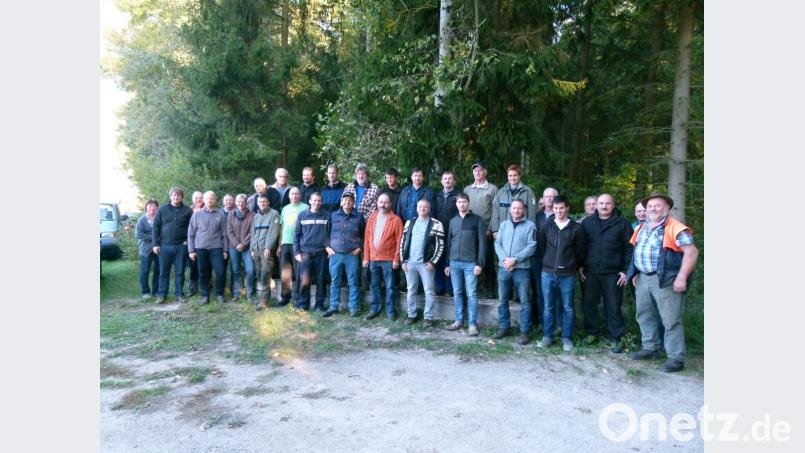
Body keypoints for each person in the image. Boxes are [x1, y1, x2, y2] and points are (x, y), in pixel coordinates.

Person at [626, 193, 699, 373]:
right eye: (650, 206)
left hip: (665, 279)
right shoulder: (642, 227)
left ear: (666, 208)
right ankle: (651, 348)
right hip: (643, 278)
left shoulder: (676, 227)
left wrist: (681, 277)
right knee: (644, 315)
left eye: (657, 206)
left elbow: (691, 253)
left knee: (671, 320)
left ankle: (676, 358)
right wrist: (634, 273)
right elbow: (637, 251)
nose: (653, 209)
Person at [579, 194, 634, 353]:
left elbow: (629, 250)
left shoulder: (623, 224)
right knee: (589, 305)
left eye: (607, 203)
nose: (604, 206)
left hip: (613, 273)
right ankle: (592, 334)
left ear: (613, 205)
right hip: (590, 272)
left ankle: (616, 338)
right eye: (601, 203)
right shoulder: (587, 224)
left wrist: (625, 271)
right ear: (596, 205)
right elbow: (581, 247)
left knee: (613, 306)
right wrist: (580, 266)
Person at [537, 195, 587, 351]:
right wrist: (548, 262)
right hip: (547, 273)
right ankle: (548, 336)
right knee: (548, 307)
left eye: (561, 208)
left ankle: (567, 338)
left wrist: (573, 265)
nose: (558, 211)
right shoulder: (547, 226)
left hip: (568, 275)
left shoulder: (576, 228)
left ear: (567, 208)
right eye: (556, 208)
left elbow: (580, 252)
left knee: (568, 307)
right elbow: (542, 246)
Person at [493, 199, 537, 345]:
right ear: (510, 210)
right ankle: (504, 327)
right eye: (514, 208)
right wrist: (506, 260)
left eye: (519, 208)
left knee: (525, 301)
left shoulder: (530, 226)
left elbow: (532, 246)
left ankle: (524, 331)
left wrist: (515, 260)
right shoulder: (504, 225)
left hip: (522, 269)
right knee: (502, 300)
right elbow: (497, 243)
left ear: (523, 210)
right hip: (504, 267)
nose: (516, 211)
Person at [444, 193, 487, 336]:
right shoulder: (453, 221)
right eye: (459, 202)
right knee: (457, 293)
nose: (462, 204)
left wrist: (480, 263)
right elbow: (449, 243)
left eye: (464, 202)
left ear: (468, 203)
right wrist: (447, 264)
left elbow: (482, 243)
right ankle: (458, 321)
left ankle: (472, 324)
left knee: (471, 294)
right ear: (456, 204)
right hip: (454, 263)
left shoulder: (477, 220)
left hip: (471, 264)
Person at [399, 199, 445, 327]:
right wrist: (403, 260)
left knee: (429, 290)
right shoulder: (410, 222)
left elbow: (440, 245)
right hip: (410, 263)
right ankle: (411, 315)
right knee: (411, 289)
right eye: (420, 206)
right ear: (416, 208)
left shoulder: (436, 224)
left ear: (429, 209)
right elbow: (403, 242)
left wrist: (433, 262)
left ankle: (428, 317)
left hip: (426, 264)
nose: (422, 208)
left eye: (425, 207)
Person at [362, 193, 403, 321]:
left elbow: (399, 241)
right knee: (374, 285)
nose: (382, 205)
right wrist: (366, 257)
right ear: (377, 203)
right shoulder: (372, 218)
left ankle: (390, 310)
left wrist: (396, 259)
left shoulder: (396, 220)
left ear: (390, 204)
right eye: (380, 202)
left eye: (385, 202)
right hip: (373, 259)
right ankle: (375, 309)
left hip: (389, 260)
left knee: (390, 286)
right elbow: (367, 239)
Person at [324, 192, 366, 317]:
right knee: (335, 280)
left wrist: (360, 248)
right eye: (345, 200)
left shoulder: (359, 217)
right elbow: (326, 233)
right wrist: (327, 248)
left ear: (353, 203)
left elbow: (364, 235)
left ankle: (353, 307)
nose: (347, 202)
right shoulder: (333, 215)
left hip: (352, 255)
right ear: (342, 202)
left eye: (350, 200)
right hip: (335, 254)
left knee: (353, 281)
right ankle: (333, 306)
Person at [152, 187, 193, 304]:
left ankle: (179, 294)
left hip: (181, 246)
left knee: (180, 271)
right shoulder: (162, 209)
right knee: (164, 271)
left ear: (182, 197)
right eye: (174, 195)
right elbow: (156, 227)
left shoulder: (187, 211)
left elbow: (192, 228)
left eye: (179, 195)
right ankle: (161, 294)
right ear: (170, 196)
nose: (176, 197)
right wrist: (155, 244)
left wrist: (187, 241)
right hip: (164, 246)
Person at [463, 161, 498, 299]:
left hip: (486, 232)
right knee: (471, 261)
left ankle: (490, 289)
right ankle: (474, 289)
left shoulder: (493, 189)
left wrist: (491, 229)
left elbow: (496, 212)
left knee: (487, 260)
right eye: (475, 171)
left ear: (485, 172)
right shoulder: (467, 190)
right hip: (470, 232)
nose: (477, 173)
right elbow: (463, 208)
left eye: (480, 170)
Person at [188, 191, 229, 305]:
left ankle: (219, 294)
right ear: (204, 200)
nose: (210, 200)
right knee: (203, 272)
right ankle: (205, 296)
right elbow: (190, 234)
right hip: (201, 248)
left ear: (215, 200)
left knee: (220, 272)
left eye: (212, 198)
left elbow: (224, 234)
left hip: (217, 248)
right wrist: (191, 250)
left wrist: (225, 250)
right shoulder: (197, 214)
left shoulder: (221, 214)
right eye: (207, 198)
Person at [293, 192, 330, 311]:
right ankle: (303, 304)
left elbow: (329, 234)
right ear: (309, 201)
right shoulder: (302, 215)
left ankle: (319, 305)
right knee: (304, 279)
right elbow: (297, 235)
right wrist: (297, 252)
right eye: (314, 200)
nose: (317, 203)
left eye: (319, 201)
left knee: (321, 279)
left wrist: (328, 248)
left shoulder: (326, 215)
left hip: (321, 253)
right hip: (305, 253)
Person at [278, 187, 308, 306]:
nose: (294, 196)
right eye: (292, 194)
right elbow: (282, 227)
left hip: (299, 244)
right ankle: (285, 297)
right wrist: (280, 244)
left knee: (299, 271)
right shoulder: (285, 209)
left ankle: (298, 298)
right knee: (285, 272)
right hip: (285, 243)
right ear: (289, 196)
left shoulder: (305, 207)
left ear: (300, 195)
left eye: (296, 193)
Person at [251, 195, 281, 310]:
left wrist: (268, 247)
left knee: (265, 273)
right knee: (259, 273)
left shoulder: (274, 214)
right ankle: (261, 298)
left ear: (268, 202)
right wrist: (252, 249)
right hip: (256, 250)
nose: (262, 203)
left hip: (266, 250)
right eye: (260, 202)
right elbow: (253, 234)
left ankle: (264, 301)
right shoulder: (256, 216)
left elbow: (273, 232)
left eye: (264, 201)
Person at [433, 170, 460, 296]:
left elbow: (459, 212)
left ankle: (450, 288)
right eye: (445, 179)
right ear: (441, 181)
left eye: (450, 179)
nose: (447, 181)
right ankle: (439, 287)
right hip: (438, 231)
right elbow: (433, 212)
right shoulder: (436, 195)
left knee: (450, 260)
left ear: (453, 181)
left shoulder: (458, 195)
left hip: (453, 232)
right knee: (438, 258)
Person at [227, 194, 255, 303]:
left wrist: (243, 243)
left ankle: (249, 293)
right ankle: (236, 293)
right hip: (234, 247)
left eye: (243, 201)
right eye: (239, 201)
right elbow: (229, 231)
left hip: (247, 247)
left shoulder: (252, 215)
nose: (241, 203)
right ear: (235, 202)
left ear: (246, 202)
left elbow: (252, 231)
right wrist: (236, 244)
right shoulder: (230, 214)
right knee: (235, 270)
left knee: (250, 270)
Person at [135, 199, 160, 300]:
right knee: (145, 270)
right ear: (146, 207)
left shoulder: (159, 218)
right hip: (145, 249)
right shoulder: (142, 219)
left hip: (158, 249)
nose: (152, 208)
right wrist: (153, 238)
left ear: (157, 208)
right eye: (150, 206)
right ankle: (145, 292)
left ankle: (156, 291)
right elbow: (138, 234)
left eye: (154, 206)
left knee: (158, 270)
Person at [187, 190, 205, 296]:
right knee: (193, 266)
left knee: (205, 266)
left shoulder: (207, 209)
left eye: (200, 197)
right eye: (196, 198)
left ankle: (206, 285)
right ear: (193, 199)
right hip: (192, 242)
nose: (198, 199)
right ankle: (192, 289)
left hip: (204, 243)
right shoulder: (188, 210)